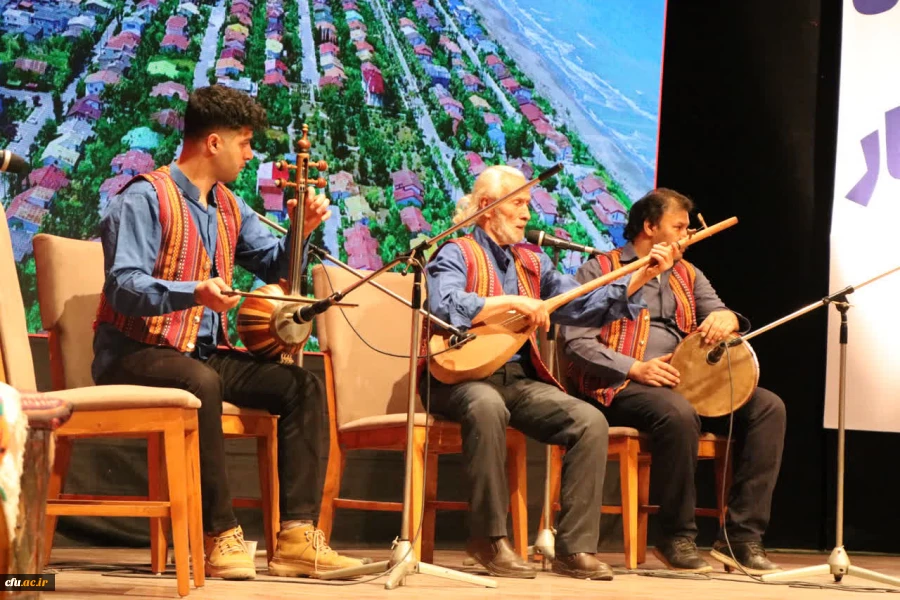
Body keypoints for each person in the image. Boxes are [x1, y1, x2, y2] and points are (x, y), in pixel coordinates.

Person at [92, 85, 360, 580]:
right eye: (244, 142)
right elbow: (124, 285)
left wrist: (300, 231)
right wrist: (193, 292)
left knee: (301, 386)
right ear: (213, 143)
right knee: (202, 381)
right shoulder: (145, 197)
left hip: (199, 352)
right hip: (134, 348)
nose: (250, 154)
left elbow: (277, 267)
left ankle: (297, 537)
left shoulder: (228, 207)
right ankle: (219, 534)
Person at [423, 165, 677, 580]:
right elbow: (443, 304)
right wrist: (508, 304)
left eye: (527, 204)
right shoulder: (456, 252)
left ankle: (573, 548)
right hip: (459, 378)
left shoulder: (532, 261)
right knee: (486, 406)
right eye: (518, 204)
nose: (527, 213)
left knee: (588, 420)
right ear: (487, 208)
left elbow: (578, 306)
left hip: (517, 380)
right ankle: (488, 539)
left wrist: (638, 279)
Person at [560, 188, 785, 574]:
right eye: (679, 227)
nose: (687, 235)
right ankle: (675, 534)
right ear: (649, 227)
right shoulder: (602, 268)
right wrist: (635, 368)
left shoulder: (688, 273)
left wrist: (726, 319)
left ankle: (741, 536)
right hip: (619, 384)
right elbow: (574, 341)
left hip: (683, 381)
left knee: (768, 407)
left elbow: (723, 313)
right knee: (677, 413)